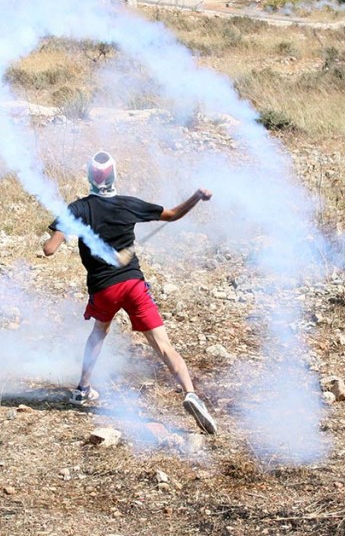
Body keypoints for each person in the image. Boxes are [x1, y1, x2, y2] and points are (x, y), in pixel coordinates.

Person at [42, 151, 218, 434]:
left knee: (100, 332)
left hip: (104, 289)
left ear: (89, 178)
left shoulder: (77, 209)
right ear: (114, 176)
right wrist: (197, 195)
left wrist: (48, 243)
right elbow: (172, 215)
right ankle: (190, 392)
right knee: (163, 345)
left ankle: (83, 389)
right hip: (133, 285)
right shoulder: (128, 205)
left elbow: (50, 249)